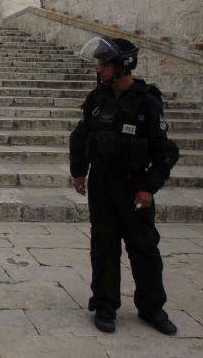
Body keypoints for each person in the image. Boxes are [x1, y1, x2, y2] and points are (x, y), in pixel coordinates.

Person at [70, 37, 180, 336]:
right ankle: (105, 305)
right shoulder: (97, 99)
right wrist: (79, 172)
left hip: (135, 187)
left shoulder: (148, 102)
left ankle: (152, 308)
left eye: (104, 64)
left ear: (122, 66)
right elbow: (81, 137)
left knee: (143, 248)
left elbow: (165, 152)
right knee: (104, 245)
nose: (100, 69)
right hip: (102, 184)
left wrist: (149, 188)